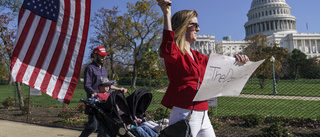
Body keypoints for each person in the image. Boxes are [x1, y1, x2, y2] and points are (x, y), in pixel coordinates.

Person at [156, 0, 250, 137]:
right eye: (195, 25)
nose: (198, 29)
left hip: (203, 114)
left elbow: (223, 67)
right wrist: (166, 13)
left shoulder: (198, 56)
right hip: (184, 112)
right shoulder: (175, 53)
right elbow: (168, 45)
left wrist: (240, 61)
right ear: (183, 26)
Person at [80, 46, 128, 137]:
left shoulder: (104, 69)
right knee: (92, 126)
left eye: (104, 56)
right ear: (95, 55)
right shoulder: (90, 68)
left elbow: (107, 85)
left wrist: (119, 89)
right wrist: (96, 94)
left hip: (104, 103)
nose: (104, 58)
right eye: (101, 56)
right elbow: (87, 85)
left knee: (104, 127)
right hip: (94, 104)